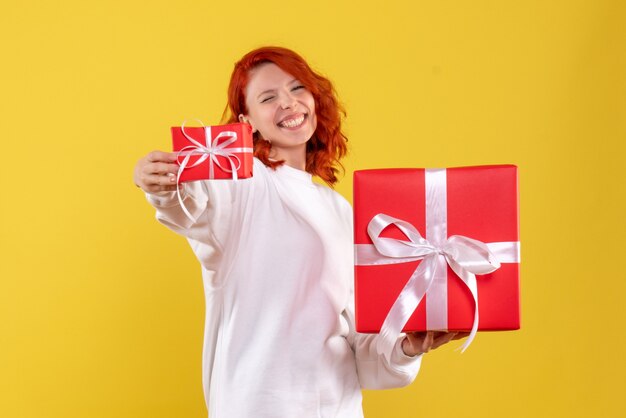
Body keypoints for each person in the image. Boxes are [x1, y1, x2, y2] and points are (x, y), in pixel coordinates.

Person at [133, 46, 467, 418]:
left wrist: (406, 346)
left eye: (297, 88)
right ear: (248, 121)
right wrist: (161, 184)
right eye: (268, 97)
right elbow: (193, 204)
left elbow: (360, 342)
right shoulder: (242, 183)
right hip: (257, 406)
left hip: (337, 407)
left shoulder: (341, 210)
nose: (289, 103)